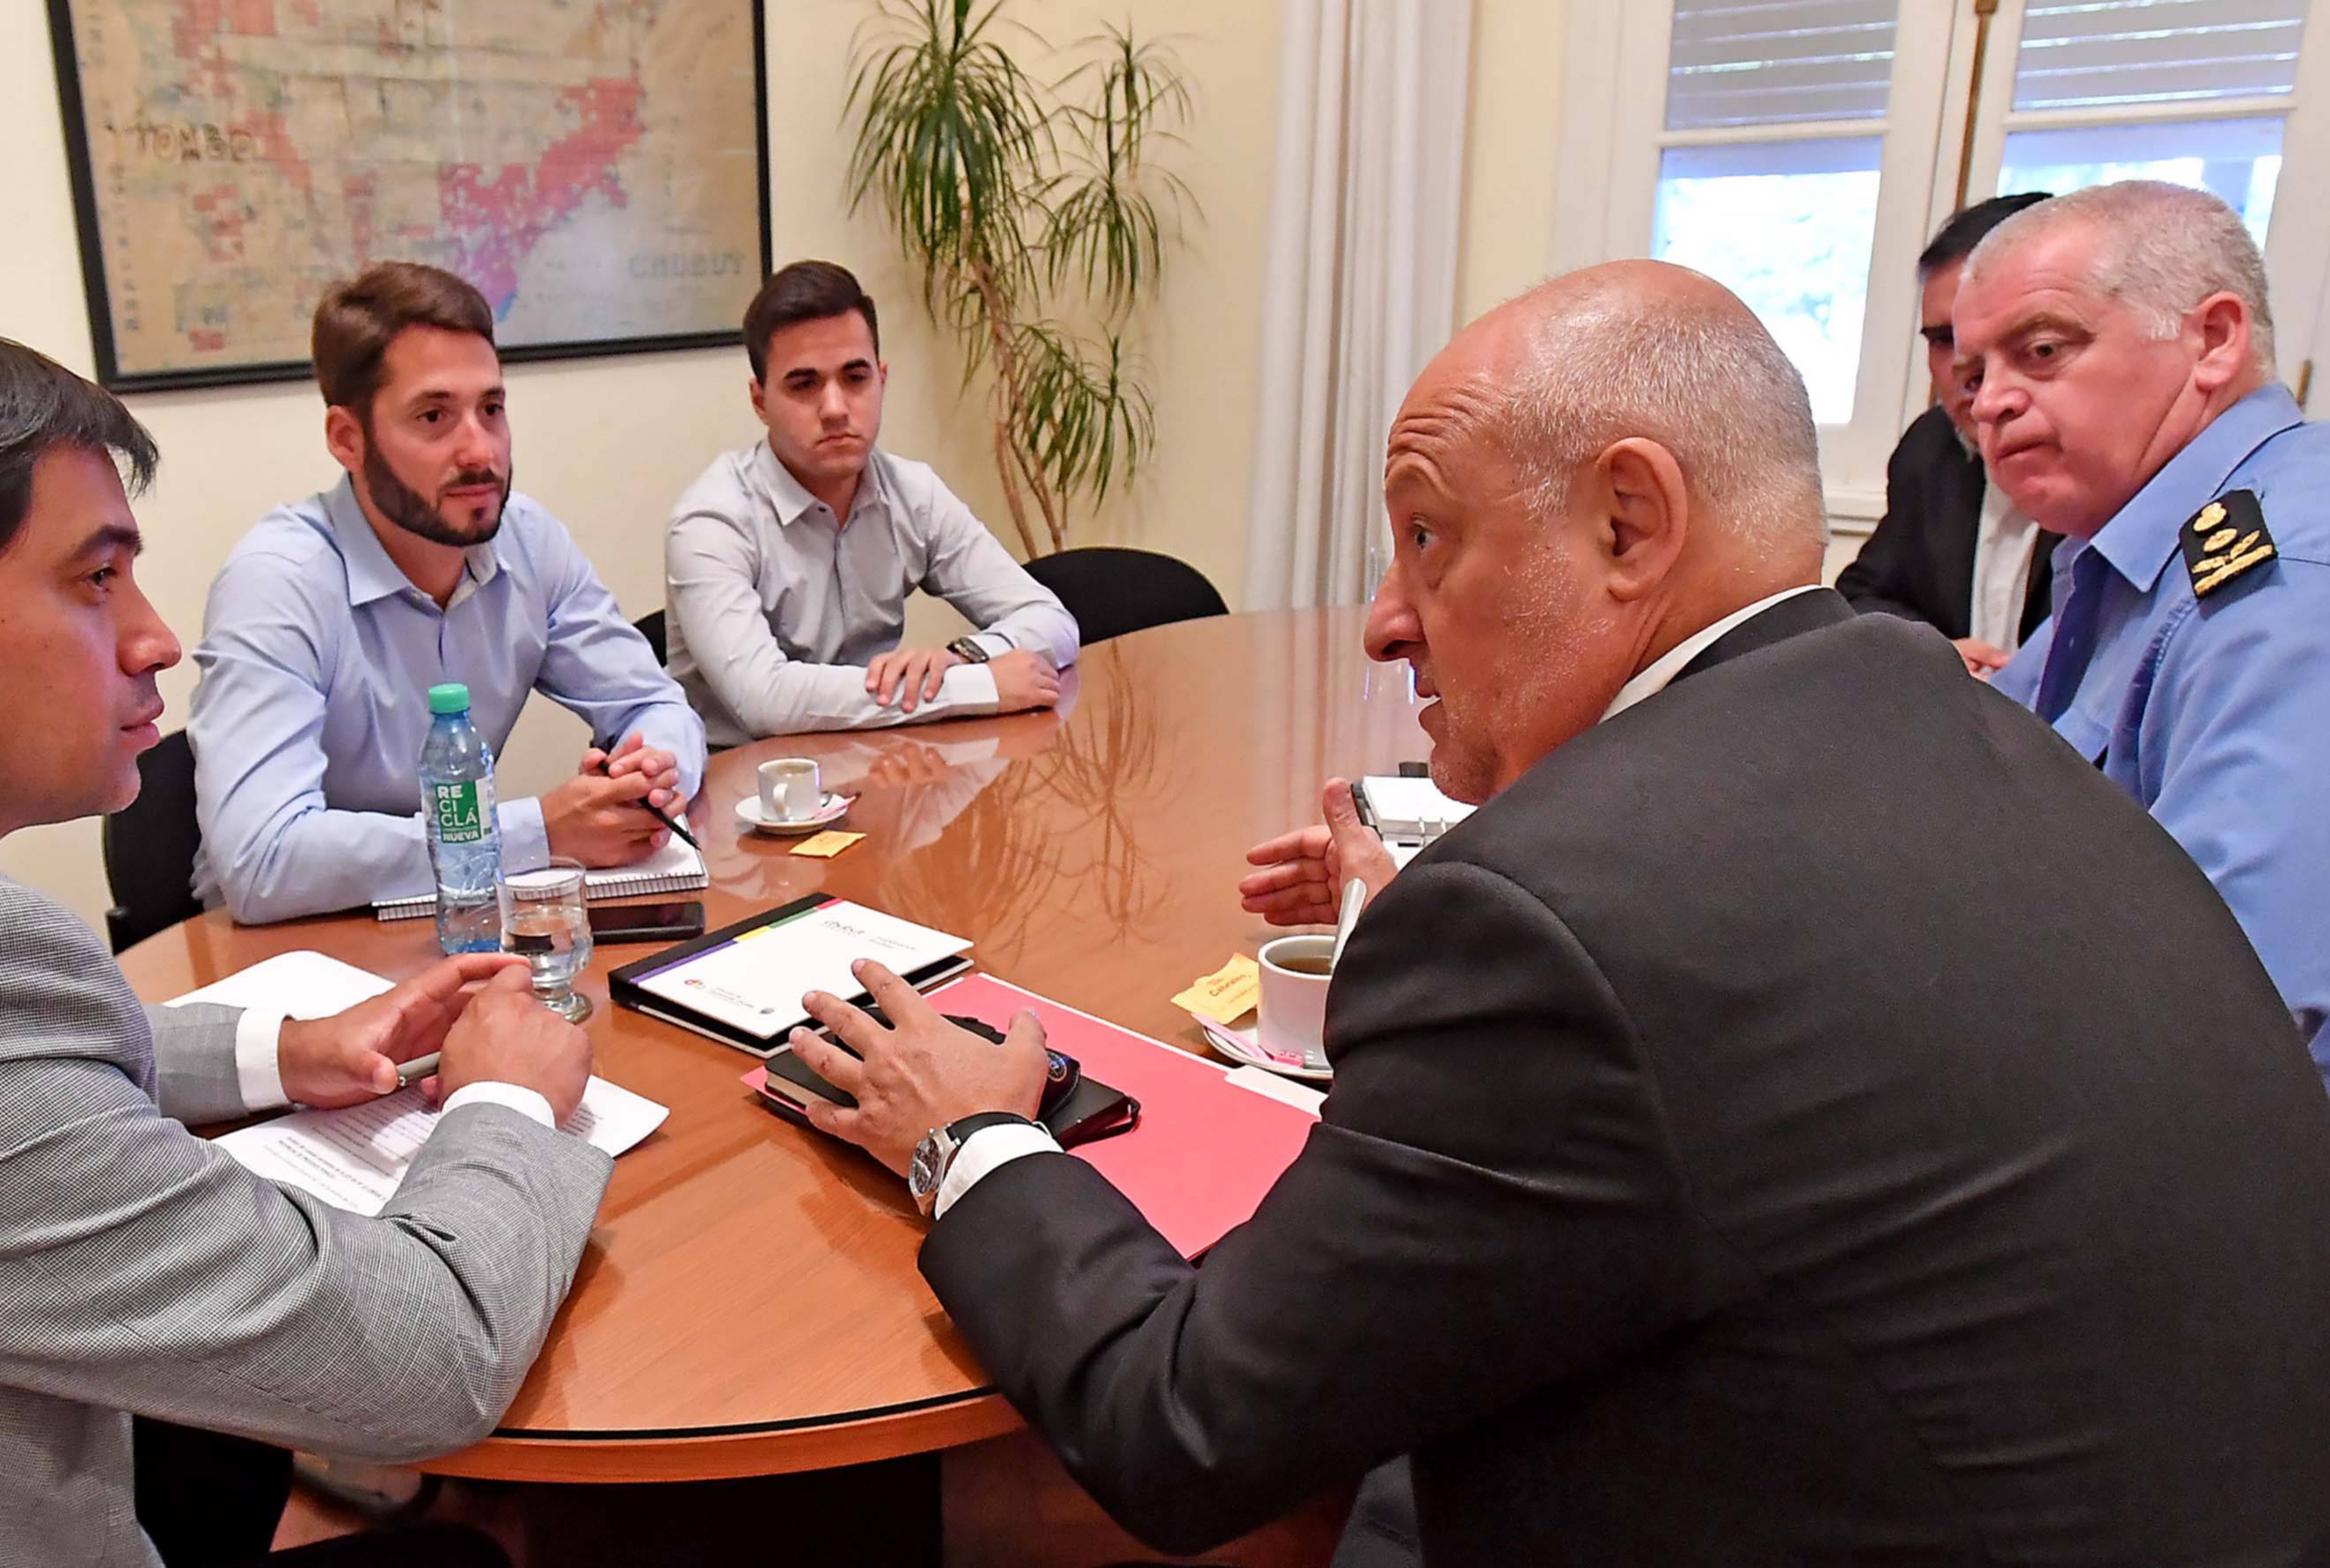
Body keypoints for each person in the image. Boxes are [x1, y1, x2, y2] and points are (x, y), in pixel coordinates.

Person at [776, 263, 2330, 1563]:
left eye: (1427, 535)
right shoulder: (1938, 711)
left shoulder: (1562, 924)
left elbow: (1182, 1425)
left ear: (1629, 524)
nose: (1387, 617)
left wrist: (968, 1132)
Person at [0, 315, 610, 1566]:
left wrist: (283, 1049)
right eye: (95, 578)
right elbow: (424, 1358)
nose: (156, 639)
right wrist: (507, 1101)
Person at [191, 261, 705, 923]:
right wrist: (537, 831)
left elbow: (652, 702)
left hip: (464, 917)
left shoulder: (528, 541)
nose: (480, 452)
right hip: (295, 941)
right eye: (434, 416)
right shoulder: (277, 581)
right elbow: (261, 861)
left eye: (491, 409)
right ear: (348, 439)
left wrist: (650, 777)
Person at [1955, 180, 2330, 1080]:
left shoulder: (2284, 575)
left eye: (2043, 351)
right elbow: (1974, 781)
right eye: (1973, 375)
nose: (1990, 402)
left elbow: (2229, 1003)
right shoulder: (2133, 550)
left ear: (2214, 340)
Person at [662, 260, 1078, 748]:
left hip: (876, 757)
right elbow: (765, 699)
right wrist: (976, 686)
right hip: (741, 775)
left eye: (855, 378)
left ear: (881, 380)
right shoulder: (712, 521)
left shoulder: (912, 494)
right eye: (804, 385)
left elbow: (1052, 620)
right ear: (760, 401)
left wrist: (966, 656)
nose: (835, 409)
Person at [1835, 191, 2057, 676]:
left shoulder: (2126, 467)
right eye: (1945, 339)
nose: (1966, 367)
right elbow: (1859, 597)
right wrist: (1931, 654)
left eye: (2028, 342)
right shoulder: (1931, 447)